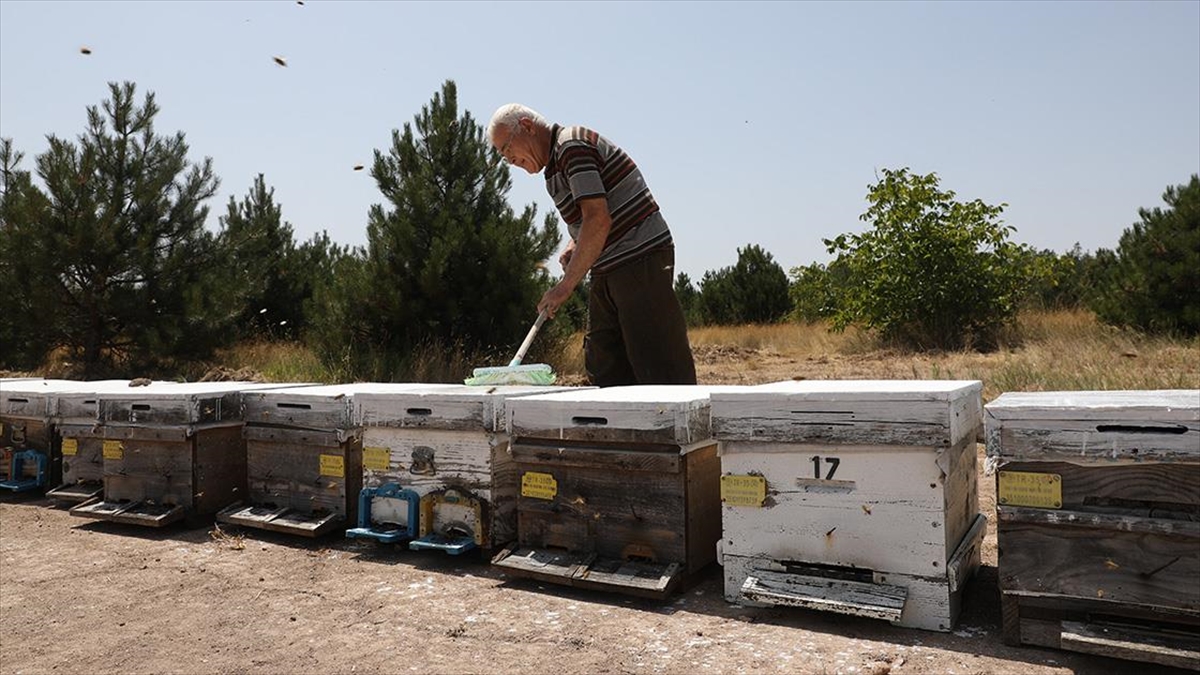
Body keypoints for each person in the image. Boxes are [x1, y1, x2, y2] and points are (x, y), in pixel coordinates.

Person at [487, 104, 696, 387]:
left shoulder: (571, 145)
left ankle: (676, 427)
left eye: (507, 148)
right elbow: (594, 214)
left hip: (638, 256)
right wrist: (575, 244)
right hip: (608, 265)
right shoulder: (553, 171)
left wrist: (564, 287)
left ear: (526, 126)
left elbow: (598, 219)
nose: (508, 160)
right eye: (502, 156)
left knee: (657, 362)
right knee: (604, 363)